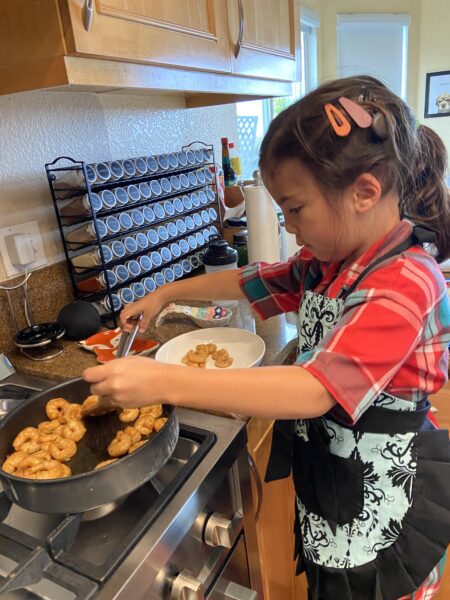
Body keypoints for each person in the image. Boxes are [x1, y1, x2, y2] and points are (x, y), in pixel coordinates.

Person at [83, 75, 450, 600]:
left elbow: (313, 390)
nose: (290, 225)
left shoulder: (404, 284)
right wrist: (167, 293)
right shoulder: (331, 262)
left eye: (295, 209)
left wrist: (164, 380)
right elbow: (251, 278)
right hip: (337, 480)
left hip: (385, 501)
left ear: (364, 192)